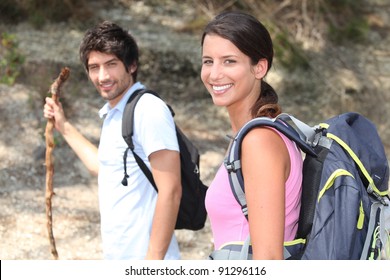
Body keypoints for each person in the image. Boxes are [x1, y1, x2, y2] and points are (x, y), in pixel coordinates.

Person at [43, 21, 182, 260]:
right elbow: (104, 167)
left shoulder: (148, 109)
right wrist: (63, 126)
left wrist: (153, 263)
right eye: (94, 67)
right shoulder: (116, 112)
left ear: (132, 65)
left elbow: (171, 190)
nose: (103, 76)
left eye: (111, 64)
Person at [201, 11, 303, 259]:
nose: (214, 74)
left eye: (229, 61)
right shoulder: (250, 135)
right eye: (207, 61)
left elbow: (268, 258)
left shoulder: (259, 141)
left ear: (259, 67)